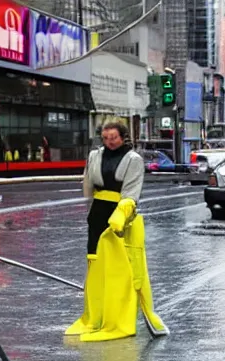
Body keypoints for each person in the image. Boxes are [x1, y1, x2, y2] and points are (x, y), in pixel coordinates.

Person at [65, 121, 168, 341]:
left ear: (123, 137)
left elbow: (131, 192)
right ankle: (94, 318)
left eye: (113, 137)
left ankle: (118, 321)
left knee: (120, 271)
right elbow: (88, 186)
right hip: (98, 215)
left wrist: (122, 214)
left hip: (120, 218)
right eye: (105, 138)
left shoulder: (133, 160)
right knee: (95, 266)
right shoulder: (95, 156)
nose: (109, 142)